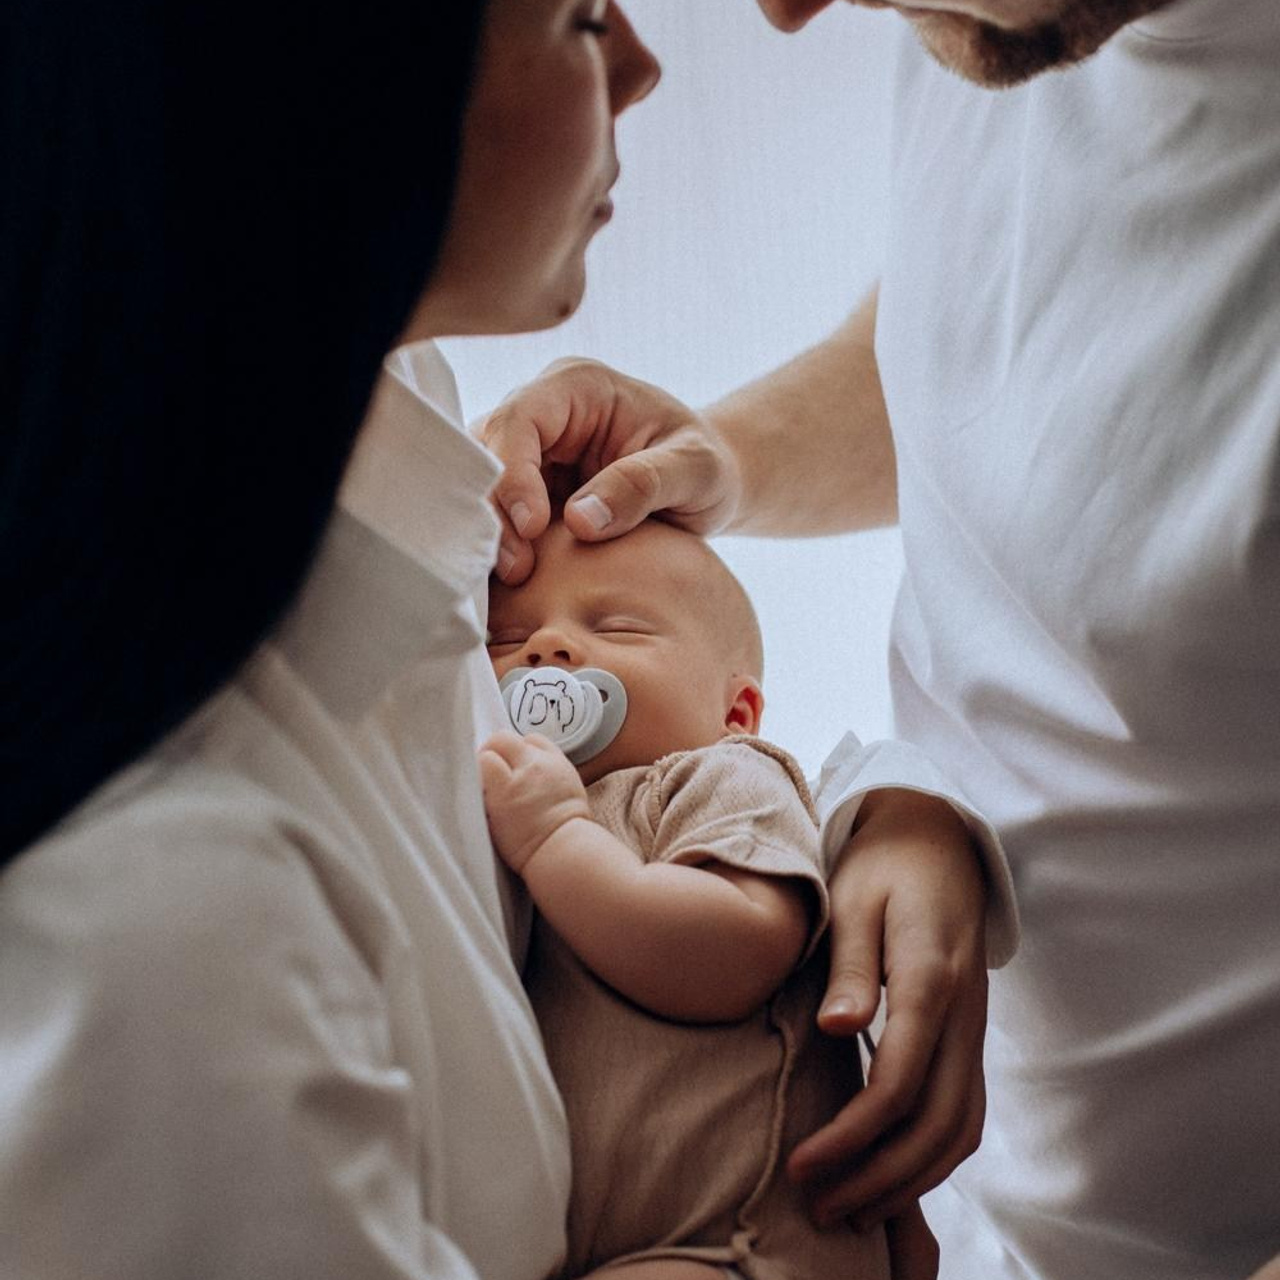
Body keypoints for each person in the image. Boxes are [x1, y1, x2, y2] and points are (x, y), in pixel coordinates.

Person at [475, 1, 1280, 1277]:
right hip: (935, 1223)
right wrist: (712, 466)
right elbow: (976, 348)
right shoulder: (982, 29)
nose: (791, 10)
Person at [0, 2, 661, 1277]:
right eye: (580, 18)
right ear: (345, 108)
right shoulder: (168, 928)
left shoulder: (401, 414)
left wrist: (874, 824)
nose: (640, 64)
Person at [479, 518, 1013, 1279]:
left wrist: (556, 839)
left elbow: (740, 945)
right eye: (506, 637)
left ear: (735, 714)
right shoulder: (510, 817)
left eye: (618, 626)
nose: (547, 649)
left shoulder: (716, 777)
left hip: (739, 1242)